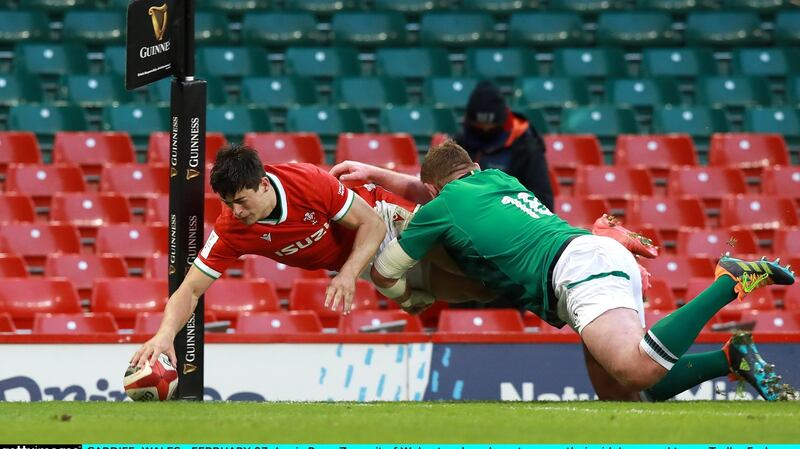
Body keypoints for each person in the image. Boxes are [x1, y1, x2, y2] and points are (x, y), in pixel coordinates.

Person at [369, 140, 797, 401]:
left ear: (433, 190)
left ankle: (729, 280)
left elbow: (386, 269)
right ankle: (730, 359)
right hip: (586, 258)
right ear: (474, 170)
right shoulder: (499, 178)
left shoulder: (440, 207)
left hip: (576, 271)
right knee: (626, 392)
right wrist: (378, 175)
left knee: (637, 370)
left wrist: (407, 298)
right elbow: (440, 194)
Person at [130, 144, 387, 369]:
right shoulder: (231, 229)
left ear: (264, 184)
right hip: (365, 263)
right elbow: (190, 289)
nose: (237, 211)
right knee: (405, 292)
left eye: (242, 201)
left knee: (405, 267)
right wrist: (164, 334)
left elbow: (373, 224)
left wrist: (348, 273)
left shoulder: (308, 181)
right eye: (229, 203)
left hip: (383, 216)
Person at [456, 80, 554, 211]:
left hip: (514, 220)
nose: (485, 130)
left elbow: (543, 202)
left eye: (491, 127)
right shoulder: (460, 142)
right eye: (479, 127)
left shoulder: (526, 146)